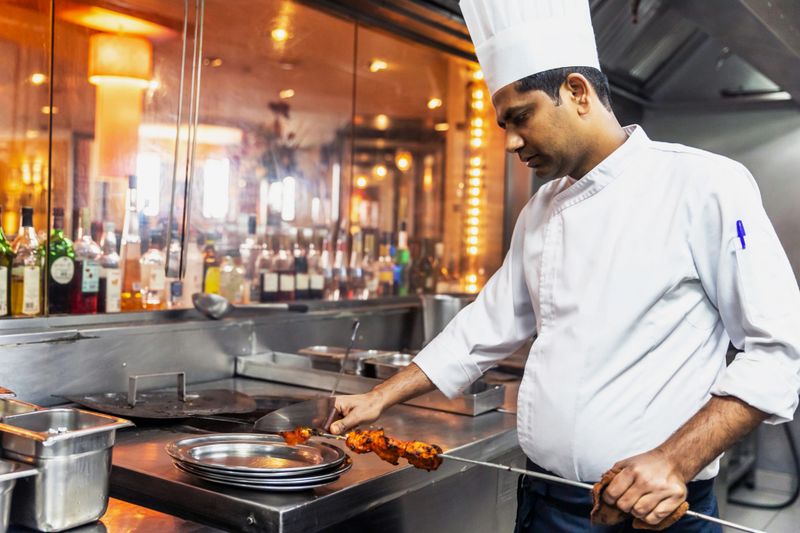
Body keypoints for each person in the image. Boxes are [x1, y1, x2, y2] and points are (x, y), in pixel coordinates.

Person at [330, 0, 800, 531]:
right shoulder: (540, 210)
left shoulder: (706, 185)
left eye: (520, 117)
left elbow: (777, 350)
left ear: (577, 92)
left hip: (659, 510)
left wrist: (674, 460)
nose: (509, 141)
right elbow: (484, 328)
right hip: (548, 501)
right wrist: (380, 396)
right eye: (502, 123)